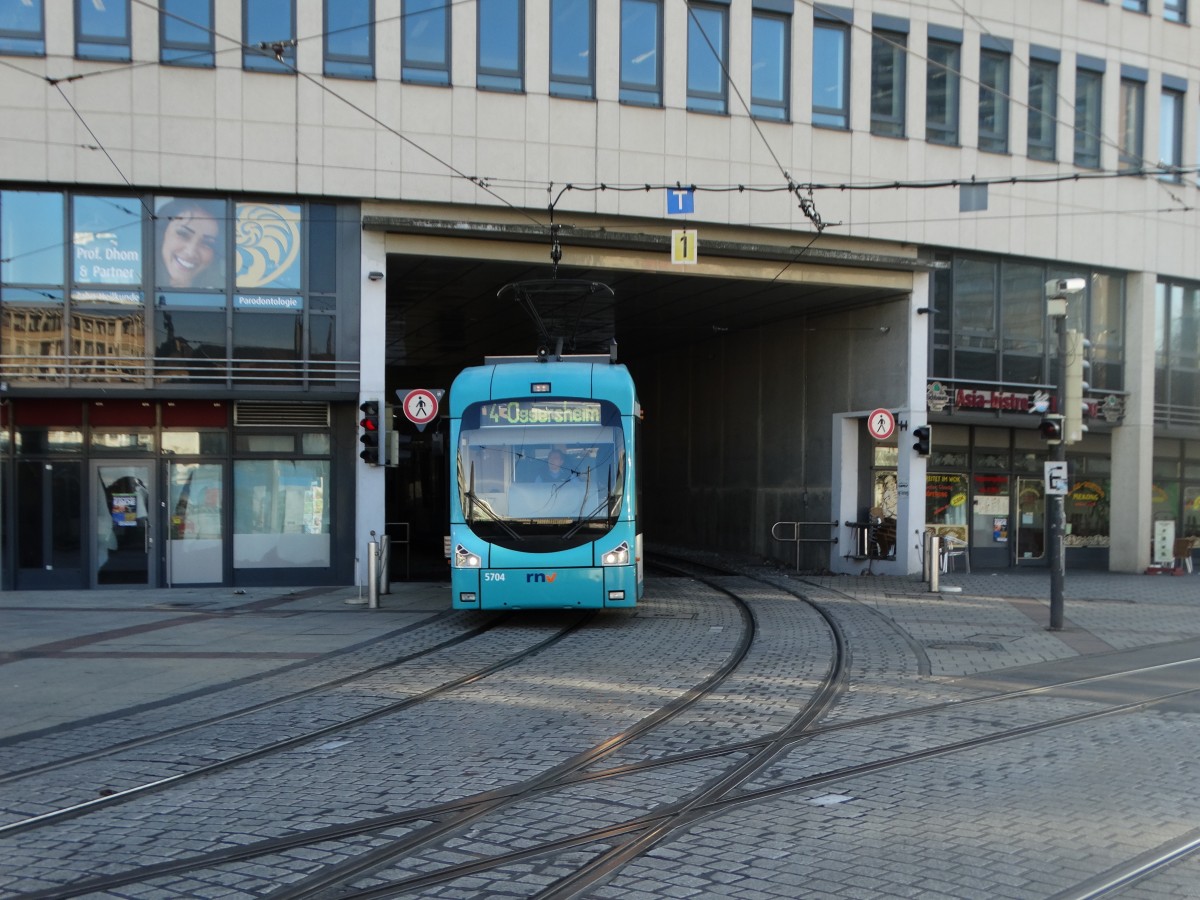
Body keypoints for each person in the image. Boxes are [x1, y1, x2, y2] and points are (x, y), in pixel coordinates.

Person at [156, 198, 224, 290]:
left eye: (207, 243)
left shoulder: (218, 297)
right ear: (162, 234)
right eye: (183, 234)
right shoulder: (135, 279)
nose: (190, 252)